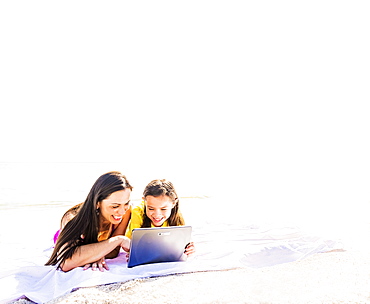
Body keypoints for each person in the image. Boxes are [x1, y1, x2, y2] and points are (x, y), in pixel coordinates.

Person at [46, 171, 132, 272]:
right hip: (67, 237)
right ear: (97, 203)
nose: (122, 211)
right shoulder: (73, 218)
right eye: (115, 206)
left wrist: (94, 254)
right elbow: (66, 262)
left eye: (126, 203)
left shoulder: (126, 212)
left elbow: (113, 252)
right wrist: (119, 240)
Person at [125, 179, 195, 256]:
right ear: (144, 201)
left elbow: (181, 241)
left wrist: (188, 248)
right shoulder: (138, 212)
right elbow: (134, 243)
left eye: (163, 209)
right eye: (151, 208)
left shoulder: (176, 215)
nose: (157, 215)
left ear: (173, 203)